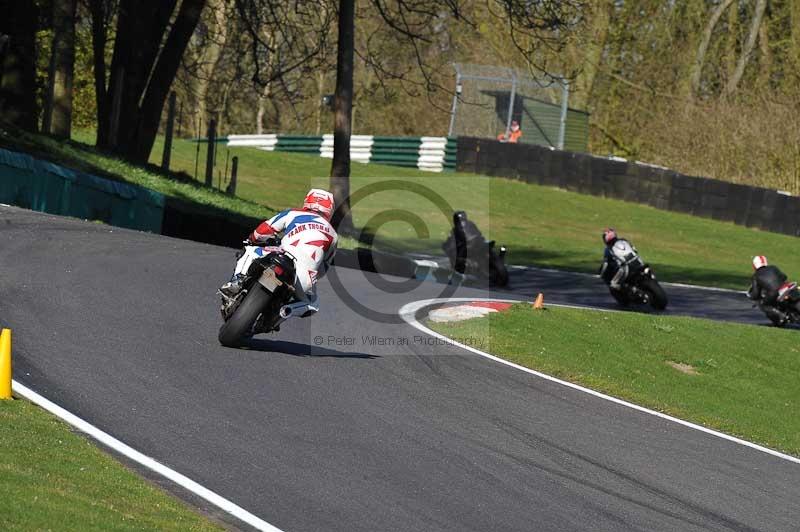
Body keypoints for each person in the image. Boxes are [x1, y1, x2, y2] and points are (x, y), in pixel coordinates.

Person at [219, 189, 339, 318]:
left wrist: (251, 240)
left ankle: (236, 282)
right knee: (313, 304)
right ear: (330, 210)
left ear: (307, 201)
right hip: (304, 277)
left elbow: (265, 229)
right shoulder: (333, 235)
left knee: (251, 250)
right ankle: (285, 311)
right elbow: (324, 266)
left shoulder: (294, 213)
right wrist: (312, 275)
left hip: (283, 253)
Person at [747, 255, 788, 325]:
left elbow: (756, 293)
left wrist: (753, 296)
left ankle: (781, 316)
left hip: (773, 293)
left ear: (754, 265)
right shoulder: (773, 267)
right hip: (785, 287)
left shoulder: (756, 276)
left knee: (764, 305)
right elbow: (784, 277)